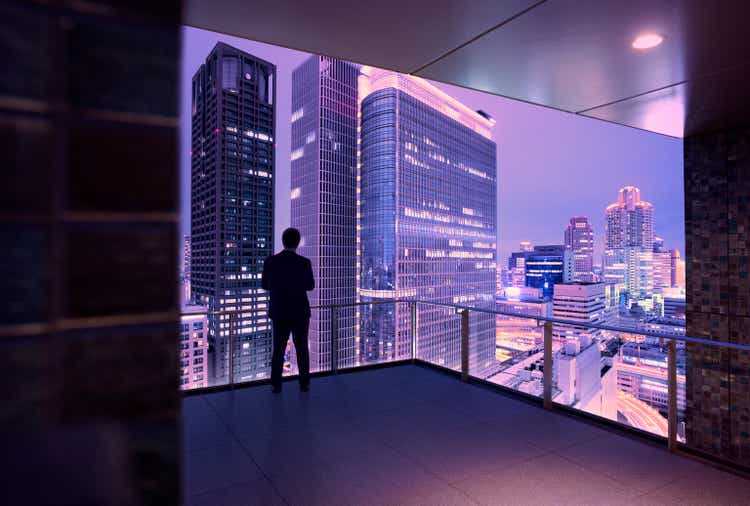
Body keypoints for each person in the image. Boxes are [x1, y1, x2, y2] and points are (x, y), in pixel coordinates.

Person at [262, 227, 315, 393]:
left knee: (278, 347)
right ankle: (304, 383)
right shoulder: (305, 263)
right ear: (298, 243)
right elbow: (310, 286)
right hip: (300, 311)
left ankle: (276, 384)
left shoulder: (270, 261)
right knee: (301, 347)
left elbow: (264, 285)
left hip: (279, 311)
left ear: (283, 241)